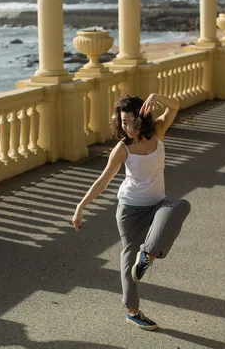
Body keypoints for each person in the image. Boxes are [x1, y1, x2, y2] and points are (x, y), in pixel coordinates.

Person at [71, 93, 191, 331]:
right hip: (130, 210)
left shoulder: (157, 131)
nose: (124, 126)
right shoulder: (123, 148)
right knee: (128, 260)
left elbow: (175, 106)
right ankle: (132, 312)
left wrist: (157, 96)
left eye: (128, 121)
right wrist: (80, 206)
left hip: (157, 204)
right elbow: (103, 181)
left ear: (141, 117)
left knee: (180, 207)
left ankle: (148, 256)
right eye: (121, 121)